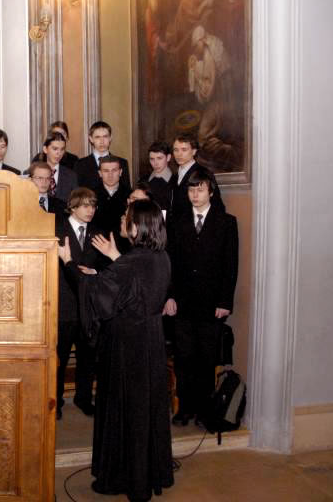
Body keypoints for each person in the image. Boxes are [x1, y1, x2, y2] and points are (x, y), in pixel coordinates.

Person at [70, 199, 174, 501]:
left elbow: (101, 293)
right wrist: (114, 258)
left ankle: (125, 478)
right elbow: (133, 285)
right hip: (151, 339)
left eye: (126, 217)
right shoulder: (159, 256)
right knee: (145, 409)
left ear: (137, 226)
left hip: (128, 345)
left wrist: (69, 263)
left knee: (127, 409)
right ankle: (148, 473)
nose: (122, 220)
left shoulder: (134, 261)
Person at [165, 168, 238, 427]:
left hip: (211, 304)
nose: (195, 194)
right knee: (184, 357)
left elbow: (230, 266)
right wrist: (169, 296)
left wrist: (225, 302)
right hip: (182, 303)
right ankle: (185, 408)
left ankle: (204, 409)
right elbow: (169, 262)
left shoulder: (226, 223)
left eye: (200, 189)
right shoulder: (177, 222)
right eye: (191, 189)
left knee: (206, 359)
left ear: (211, 192)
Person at [54, 188, 107, 420]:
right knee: (59, 358)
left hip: (89, 306)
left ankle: (84, 398)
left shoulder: (98, 233)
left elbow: (109, 267)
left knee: (87, 357)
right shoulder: (56, 231)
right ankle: (55, 401)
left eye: (93, 206)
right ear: (73, 206)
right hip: (63, 306)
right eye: (85, 206)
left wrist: (96, 272)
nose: (90, 210)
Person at [169, 134, 224, 221]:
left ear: (194, 151)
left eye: (184, 149)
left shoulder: (204, 173)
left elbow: (217, 205)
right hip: (177, 226)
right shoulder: (174, 176)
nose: (179, 154)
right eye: (176, 150)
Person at [75, 121, 131, 190]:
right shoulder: (80, 164)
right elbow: (78, 192)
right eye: (97, 137)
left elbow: (126, 190)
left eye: (105, 136)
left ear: (110, 138)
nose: (102, 141)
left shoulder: (122, 163)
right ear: (91, 139)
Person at [92, 156, 131, 237]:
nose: (110, 175)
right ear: (100, 173)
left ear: (120, 172)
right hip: (97, 241)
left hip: (124, 242)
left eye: (114, 170)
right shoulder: (91, 195)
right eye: (106, 171)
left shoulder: (130, 195)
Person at [40, 133, 78, 202]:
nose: (59, 153)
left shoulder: (71, 175)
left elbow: (75, 202)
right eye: (55, 149)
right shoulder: (33, 173)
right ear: (45, 149)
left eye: (62, 149)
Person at [141, 141, 173, 213]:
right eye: (152, 159)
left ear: (168, 157)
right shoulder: (143, 180)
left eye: (159, 158)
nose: (155, 163)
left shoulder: (175, 182)